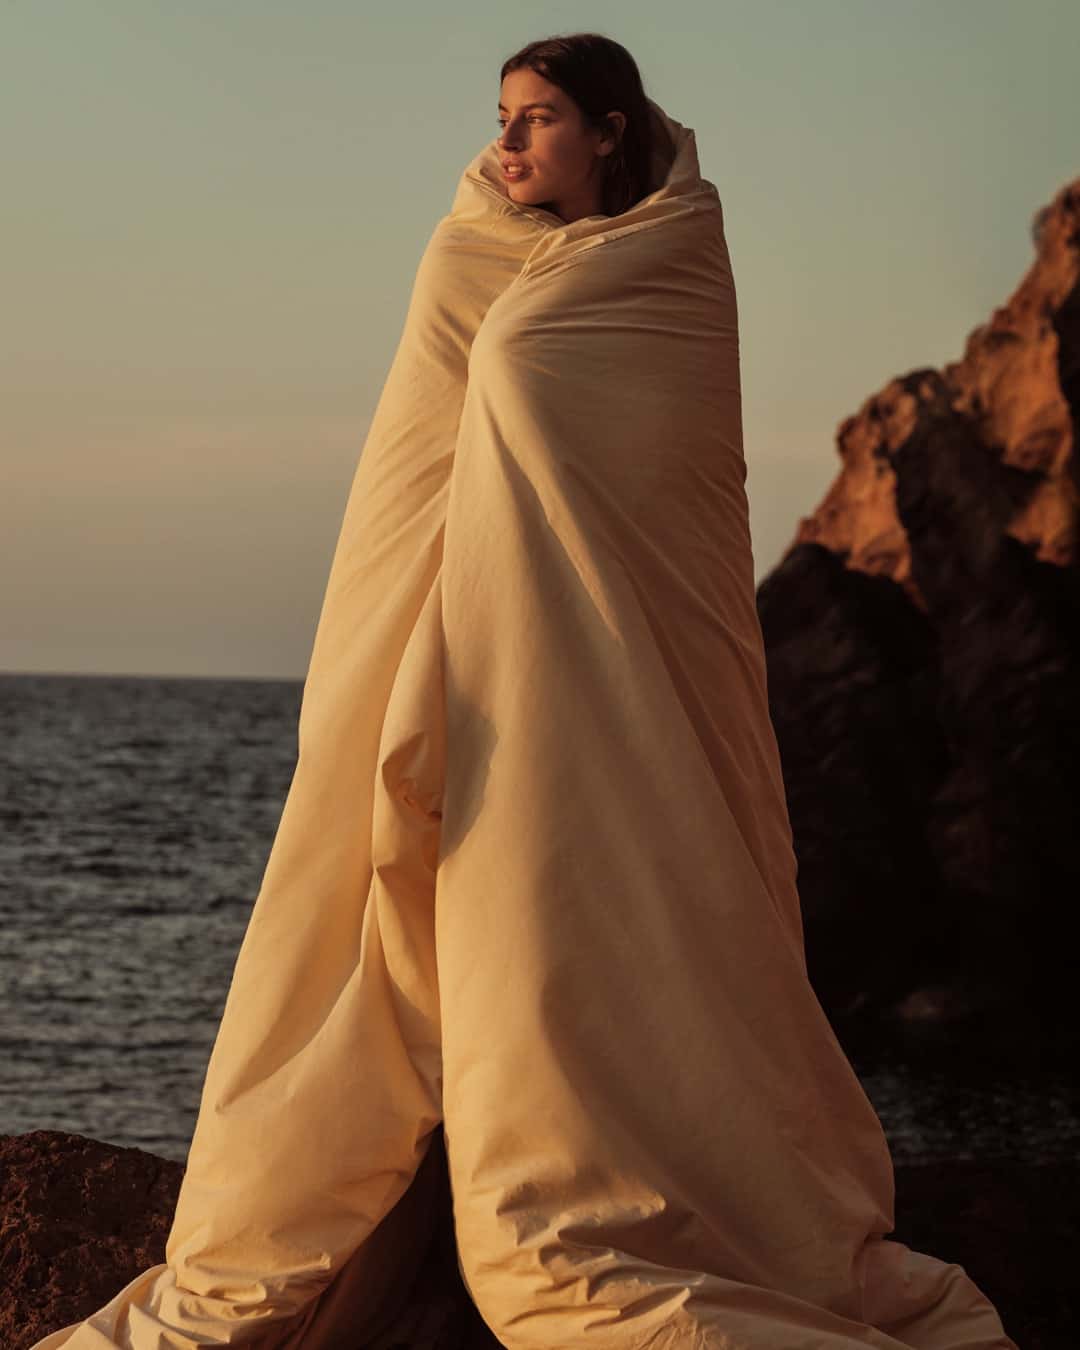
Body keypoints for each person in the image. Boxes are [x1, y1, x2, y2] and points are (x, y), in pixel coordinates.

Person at [30, 31, 1018, 1350]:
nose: (507, 143)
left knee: (580, 966)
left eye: (539, 117)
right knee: (416, 940)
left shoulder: (670, 269)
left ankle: (610, 1187)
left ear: (609, 130)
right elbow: (411, 467)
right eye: (501, 116)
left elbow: (673, 502)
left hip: (613, 681)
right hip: (466, 670)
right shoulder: (469, 254)